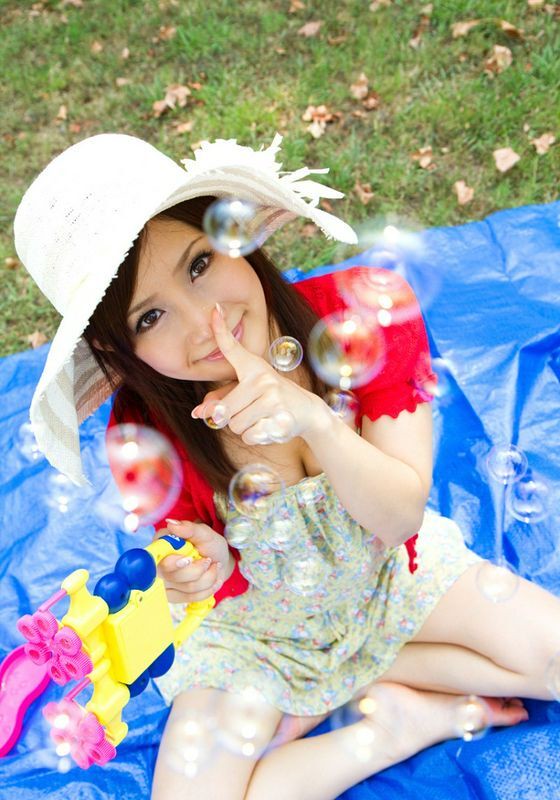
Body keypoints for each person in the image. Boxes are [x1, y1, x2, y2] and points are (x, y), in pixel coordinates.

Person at [13, 132, 558, 800]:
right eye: (150, 316)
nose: (204, 321)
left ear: (234, 233)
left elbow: (398, 518)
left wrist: (313, 420)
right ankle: (395, 725)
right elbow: (205, 562)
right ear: (120, 350)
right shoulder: (145, 426)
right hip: (261, 630)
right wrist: (203, 565)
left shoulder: (365, 313)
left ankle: (349, 681)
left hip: (391, 577)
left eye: (199, 263)